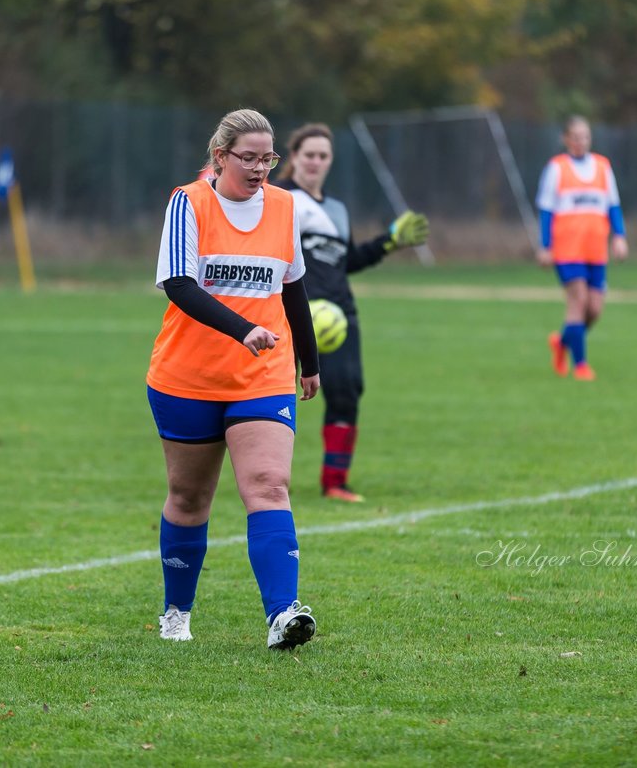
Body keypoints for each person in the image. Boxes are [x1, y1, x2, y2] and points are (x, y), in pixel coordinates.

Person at [147, 108, 322, 649]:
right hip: (188, 375)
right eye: (247, 157)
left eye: (267, 158)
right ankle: (176, 612)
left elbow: (292, 286)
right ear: (219, 156)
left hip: (263, 374)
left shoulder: (286, 206)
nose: (259, 168)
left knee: (269, 485)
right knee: (189, 497)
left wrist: (309, 362)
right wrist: (242, 328)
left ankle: (282, 614)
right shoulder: (189, 202)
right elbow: (178, 283)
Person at [271, 123, 429, 503]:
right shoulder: (278, 199)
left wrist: (389, 241)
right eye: (309, 154)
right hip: (290, 312)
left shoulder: (338, 209)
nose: (316, 161)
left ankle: (335, 482)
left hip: (339, 315)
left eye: (323, 155)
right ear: (294, 158)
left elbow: (346, 262)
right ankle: (269, 477)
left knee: (345, 393)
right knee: (272, 393)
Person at [534, 116, 629, 381]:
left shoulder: (602, 167)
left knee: (594, 309)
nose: (580, 141)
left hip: (595, 249)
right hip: (567, 249)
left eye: (585, 136)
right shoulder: (556, 169)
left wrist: (619, 236)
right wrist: (545, 246)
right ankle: (581, 366)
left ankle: (562, 342)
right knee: (578, 301)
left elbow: (613, 206)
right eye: (575, 137)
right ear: (566, 139)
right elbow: (546, 211)